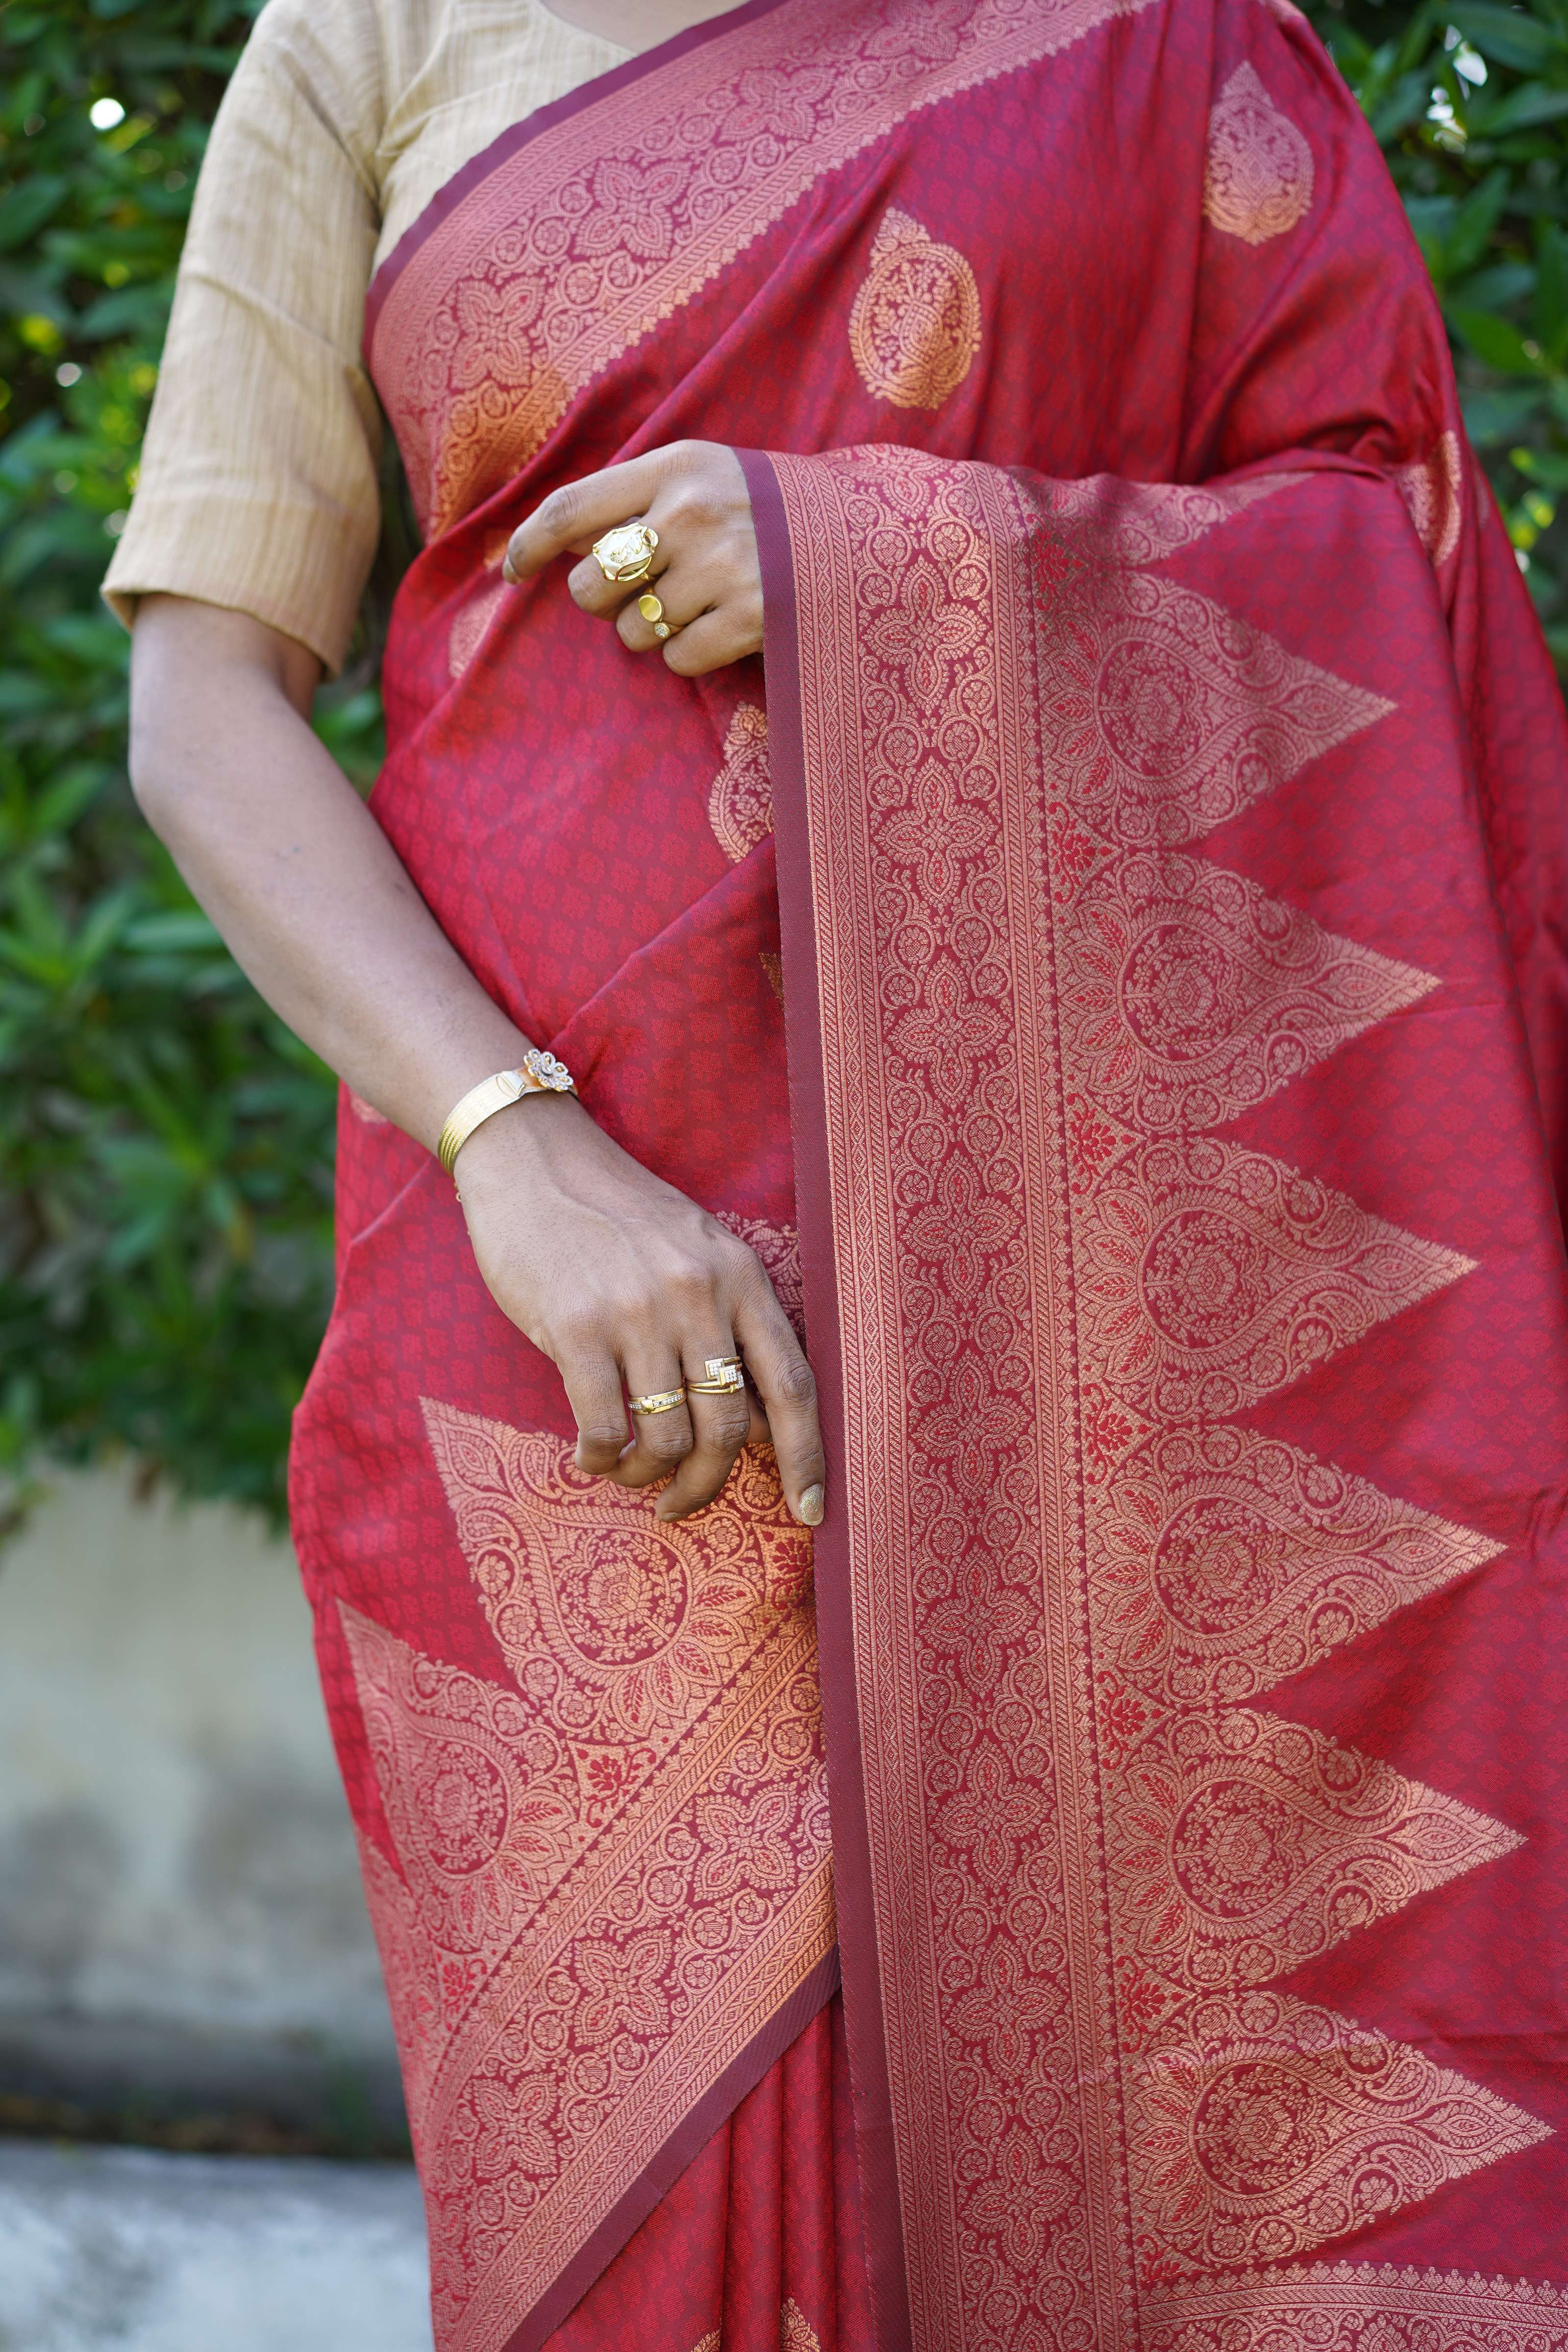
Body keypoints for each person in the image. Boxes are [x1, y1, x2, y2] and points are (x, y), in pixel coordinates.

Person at [107, 0, 1568, 2346]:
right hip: (553, 1334)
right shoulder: (370, 28)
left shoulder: (1161, 45)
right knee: (628, 2189)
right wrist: (512, 1144)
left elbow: (1376, 559)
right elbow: (201, 700)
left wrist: (894, 574)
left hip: (1093, 1331)